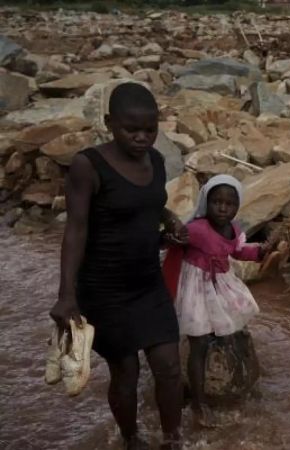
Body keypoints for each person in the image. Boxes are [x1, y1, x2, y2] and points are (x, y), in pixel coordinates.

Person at [50, 83, 186, 450]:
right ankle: (131, 439)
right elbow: (75, 229)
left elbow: (150, 203)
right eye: (132, 130)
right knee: (126, 374)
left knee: (170, 368)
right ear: (109, 122)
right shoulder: (87, 165)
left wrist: (170, 220)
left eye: (150, 129)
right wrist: (66, 296)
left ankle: (173, 439)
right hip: (104, 290)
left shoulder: (156, 161)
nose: (142, 138)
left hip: (148, 282)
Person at [165, 175, 268, 426]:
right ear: (206, 202)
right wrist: (169, 235)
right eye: (216, 202)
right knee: (198, 343)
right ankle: (200, 404)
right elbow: (169, 241)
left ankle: (232, 374)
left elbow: (238, 251)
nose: (223, 208)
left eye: (229, 204)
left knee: (232, 323)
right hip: (195, 288)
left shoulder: (233, 228)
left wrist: (262, 251)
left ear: (237, 206)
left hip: (219, 282)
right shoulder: (197, 229)